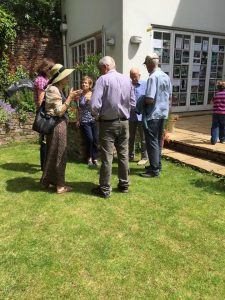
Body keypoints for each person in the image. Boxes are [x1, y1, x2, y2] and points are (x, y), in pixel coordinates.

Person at [90, 56, 136, 198]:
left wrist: (96, 115)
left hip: (108, 124)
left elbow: (94, 104)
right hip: (124, 122)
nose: (101, 71)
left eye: (100, 69)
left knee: (107, 157)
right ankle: (124, 184)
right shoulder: (127, 80)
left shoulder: (102, 80)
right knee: (123, 154)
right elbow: (133, 103)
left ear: (105, 67)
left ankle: (105, 189)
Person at [41, 63, 81, 194]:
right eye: (66, 76)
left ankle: (47, 181)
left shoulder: (58, 89)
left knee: (53, 154)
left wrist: (71, 97)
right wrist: (69, 98)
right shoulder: (53, 89)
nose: (68, 78)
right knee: (60, 155)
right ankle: (60, 185)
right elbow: (59, 111)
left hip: (58, 126)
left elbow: (60, 106)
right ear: (59, 77)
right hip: (57, 126)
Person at [136, 53, 172, 178]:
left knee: (152, 142)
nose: (146, 67)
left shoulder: (152, 77)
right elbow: (170, 96)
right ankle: (156, 165)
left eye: (146, 65)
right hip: (163, 114)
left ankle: (154, 170)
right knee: (157, 141)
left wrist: (141, 100)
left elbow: (150, 99)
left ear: (150, 63)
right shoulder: (166, 76)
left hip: (153, 115)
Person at [34, 58, 55, 170]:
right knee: (44, 140)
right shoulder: (42, 80)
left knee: (45, 139)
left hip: (44, 111)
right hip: (44, 112)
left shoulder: (45, 79)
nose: (52, 71)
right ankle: (44, 165)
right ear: (45, 69)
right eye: (51, 69)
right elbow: (40, 100)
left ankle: (45, 164)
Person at [76, 76, 99, 166]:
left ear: (90, 85)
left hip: (93, 120)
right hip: (84, 121)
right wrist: (77, 120)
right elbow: (78, 109)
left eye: (85, 83)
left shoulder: (93, 95)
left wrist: (91, 103)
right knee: (90, 139)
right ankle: (89, 158)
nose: (83, 84)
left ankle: (95, 158)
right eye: (83, 82)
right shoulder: (79, 95)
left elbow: (97, 107)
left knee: (95, 140)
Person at [129, 67, 148, 165]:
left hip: (141, 116)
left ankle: (144, 157)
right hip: (131, 116)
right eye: (131, 77)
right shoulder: (128, 84)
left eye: (135, 76)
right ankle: (130, 156)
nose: (133, 79)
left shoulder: (145, 84)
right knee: (130, 137)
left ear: (139, 75)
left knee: (143, 138)